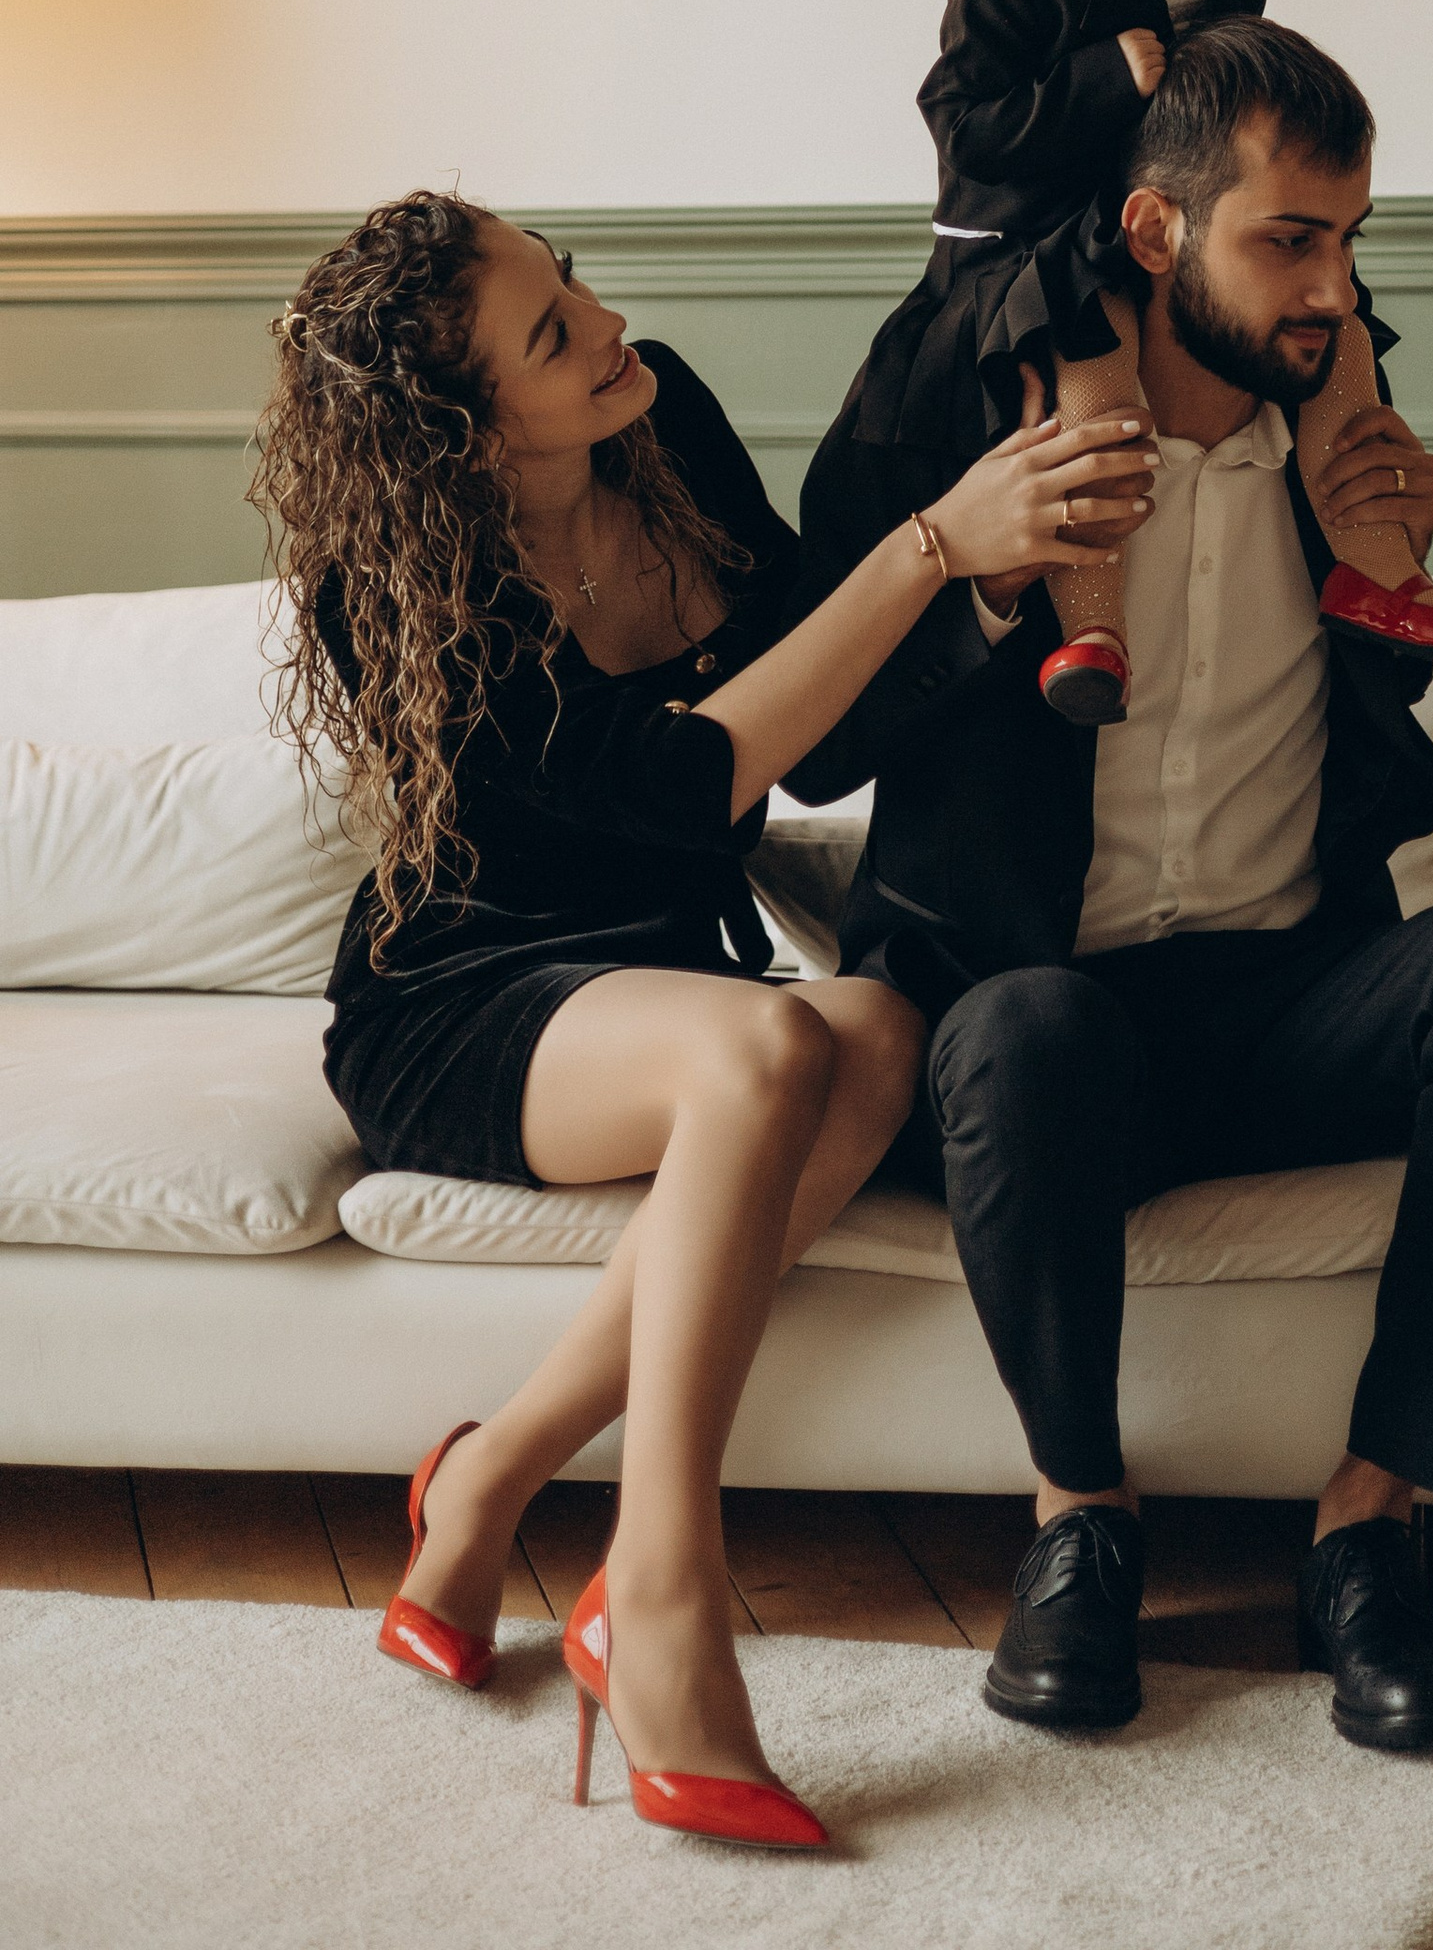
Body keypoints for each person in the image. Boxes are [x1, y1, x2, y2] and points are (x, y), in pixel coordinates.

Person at [257, 191, 1150, 1853]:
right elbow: (691, 786)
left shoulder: (662, 423)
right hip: (461, 1000)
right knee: (771, 1042)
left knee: (872, 1029)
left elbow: (820, 733)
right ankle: (661, 1586)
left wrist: (998, 586)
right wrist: (931, 543)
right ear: (462, 428)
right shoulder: (389, 590)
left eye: (572, 284)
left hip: (667, 984)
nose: (606, 328)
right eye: (550, 335)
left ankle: (491, 1475)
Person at [792, 19, 1433, 1753]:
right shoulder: (965, 387)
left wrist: (1395, 565)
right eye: (1290, 240)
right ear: (1160, 233)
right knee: (1022, 1032)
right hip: (1039, 1027)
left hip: (1282, 1000)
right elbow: (817, 742)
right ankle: (1079, 1522)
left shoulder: (1336, 443)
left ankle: (1369, 1525)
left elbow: (1370, 717)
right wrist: (984, 579)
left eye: (1350, 235)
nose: (1334, 287)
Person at [847, 0, 1433, 727]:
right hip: (1033, 244)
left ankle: (1379, 567)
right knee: (1092, 385)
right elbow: (962, 126)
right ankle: (1091, 621)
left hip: (1164, 229)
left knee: (1348, 339)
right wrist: (1104, 80)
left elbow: (1241, 109)